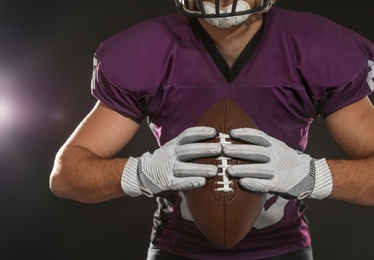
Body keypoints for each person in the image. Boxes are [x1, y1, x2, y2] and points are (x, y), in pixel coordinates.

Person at [49, 0, 374, 259]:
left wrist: (311, 176)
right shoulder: (146, 50)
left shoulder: (317, 48)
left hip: (283, 248)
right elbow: (66, 176)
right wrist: (142, 174)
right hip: (176, 248)